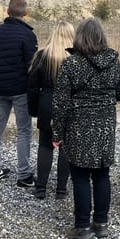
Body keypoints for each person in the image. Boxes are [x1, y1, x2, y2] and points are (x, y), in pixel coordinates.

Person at [52, 17, 120, 239]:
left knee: (79, 177)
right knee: (102, 175)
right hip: (105, 126)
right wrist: (105, 95)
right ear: (101, 37)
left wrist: (57, 133)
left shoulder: (71, 64)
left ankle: (82, 226)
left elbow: (60, 103)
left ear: (79, 38)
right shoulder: (113, 62)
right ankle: (102, 223)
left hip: (78, 126)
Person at [0, 0, 38, 186]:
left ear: (7, 12)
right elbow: (31, 66)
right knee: (24, 130)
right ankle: (23, 175)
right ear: (25, 14)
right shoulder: (28, 36)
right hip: (20, 89)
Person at [27, 21, 74, 200]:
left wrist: (34, 110)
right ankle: (61, 189)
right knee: (66, 148)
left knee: (45, 146)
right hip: (69, 106)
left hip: (47, 104)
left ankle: (41, 188)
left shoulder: (42, 56)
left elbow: (32, 87)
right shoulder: (77, 59)